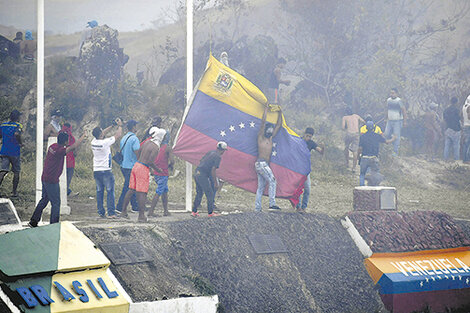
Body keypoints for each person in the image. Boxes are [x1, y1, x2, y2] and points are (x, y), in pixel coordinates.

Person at [29, 132, 86, 227]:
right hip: (52, 180)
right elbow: (73, 146)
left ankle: (33, 221)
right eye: (67, 140)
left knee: (44, 200)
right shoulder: (60, 150)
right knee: (56, 203)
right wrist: (82, 136)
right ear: (64, 141)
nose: (68, 141)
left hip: (45, 177)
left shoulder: (53, 146)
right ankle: (54, 225)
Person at [121, 127, 165, 222]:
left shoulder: (147, 142)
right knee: (142, 193)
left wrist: (143, 161)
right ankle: (141, 216)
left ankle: (123, 211)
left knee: (131, 189)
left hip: (136, 165)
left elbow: (139, 152)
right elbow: (150, 161)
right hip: (143, 168)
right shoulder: (156, 147)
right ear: (161, 137)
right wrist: (158, 169)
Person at [91, 118, 123, 218]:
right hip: (106, 170)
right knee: (110, 191)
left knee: (99, 192)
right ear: (101, 135)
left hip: (96, 170)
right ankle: (111, 213)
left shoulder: (93, 141)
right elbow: (117, 136)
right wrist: (120, 125)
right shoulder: (105, 142)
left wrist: (112, 125)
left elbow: (102, 133)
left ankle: (101, 212)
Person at [255, 105, 283, 211]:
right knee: (272, 180)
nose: (271, 131)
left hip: (263, 164)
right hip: (261, 164)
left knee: (261, 187)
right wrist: (265, 110)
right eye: (269, 129)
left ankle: (257, 208)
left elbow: (278, 125)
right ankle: (272, 204)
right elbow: (262, 124)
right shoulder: (261, 138)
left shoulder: (270, 139)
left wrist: (280, 113)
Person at [191, 141, 228, 217]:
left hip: (197, 172)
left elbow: (201, 161)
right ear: (223, 150)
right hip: (202, 175)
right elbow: (213, 170)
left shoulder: (210, 152)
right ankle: (210, 213)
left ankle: (194, 211)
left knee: (199, 193)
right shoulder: (218, 157)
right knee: (210, 194)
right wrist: (215, 182)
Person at [358, 121, 396, 186]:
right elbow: (387, 142)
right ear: (373, 128)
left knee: (362, 174)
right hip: (374, 158)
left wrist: (359, 157)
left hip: (364, 158)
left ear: (366, 128)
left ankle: (362, 188)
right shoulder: (377, 136)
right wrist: (393, 138)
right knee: (375, 174)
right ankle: (375, 188)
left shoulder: (362, 136)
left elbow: (360, 149)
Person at [296, 127, 324, 213]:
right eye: (307, 136)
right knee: (298, 188)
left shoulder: (311, 143)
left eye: (310, 137)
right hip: (297, 168)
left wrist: (323, 147)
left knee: (307, 188)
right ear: (304, 134)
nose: (308, 138)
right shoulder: (298, 141)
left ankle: (304, 207)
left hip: (306, 169)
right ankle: (298, 206)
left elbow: (320, 152)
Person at [116, 120, 140, 213]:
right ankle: (119, 207)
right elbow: (137, 151)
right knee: (127, 188)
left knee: (132, 186)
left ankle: (135, 206)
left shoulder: (124, 138)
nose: (136, 128)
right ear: (133, 127)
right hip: (131, 166)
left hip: (124, 165)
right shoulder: (134, 138)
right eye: (136, 126)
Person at [148, 131, 174, 217]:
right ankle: (151, 211)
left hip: (155, 172)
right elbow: (172, 161)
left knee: (164, 191)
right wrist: (170, 166)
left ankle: (166, 210)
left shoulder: (157, 146)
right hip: (163, 173)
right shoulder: (168, 148)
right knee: (159, 192)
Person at [0, 110, 23, 198]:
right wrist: (20, 143)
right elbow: (17, 134)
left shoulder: (3, 125)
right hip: (14, 152)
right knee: (16, 172)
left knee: (3, 171)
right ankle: (14, 192)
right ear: (17, 117)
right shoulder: (18, 125)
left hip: (4, 151)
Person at [384, 88, 407, 155]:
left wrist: (405, 121)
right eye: (391, 93)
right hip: (389, 120)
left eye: (393, 93)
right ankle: (387, 149)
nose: (391, 94)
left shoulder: (399, 101)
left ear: (396, 93)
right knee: (386, 134)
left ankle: (395, 152)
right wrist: (385, 118)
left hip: (397, 121)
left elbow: (404, 111)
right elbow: (387, 109)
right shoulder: (388, 100)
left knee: (396, 136)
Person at [61, 123, 79, 196]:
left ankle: (66, 192)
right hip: (70, 161)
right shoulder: (71, 137)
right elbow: (75, 151)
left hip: (61, 160)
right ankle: (66, 192)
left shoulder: (59, 135)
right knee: (67, 179)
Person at [443, 97, 461, 161]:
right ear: (456, 102)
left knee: (447, 146)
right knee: (456, 146)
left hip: (448, 129)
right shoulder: (457, 110)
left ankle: (445, 159)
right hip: (456, 130)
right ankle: (456, 160)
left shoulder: (446, 110)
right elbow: (459, 119)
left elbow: (444, 119)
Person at [462, 95, 470, 164]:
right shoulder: (469, 107)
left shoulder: (464, 107)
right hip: (469, 126)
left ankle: (464, 159)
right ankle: (468, 159)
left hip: (465, 125)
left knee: (466, 143)